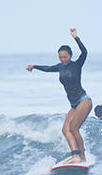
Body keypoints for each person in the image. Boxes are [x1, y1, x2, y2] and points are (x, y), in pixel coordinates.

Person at [27, 28, 92, 163]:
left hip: (83, 100)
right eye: (60, 57)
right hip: (73, 105)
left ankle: (82, 157)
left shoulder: (77, 65)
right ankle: (75, 154)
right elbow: (47, 68)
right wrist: (34, 66)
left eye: (65, 57)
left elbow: (85, 52)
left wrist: (76, 38)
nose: (62, 59)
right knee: (65, 130)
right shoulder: (60, 67)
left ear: (70, 56)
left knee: (74, 128)